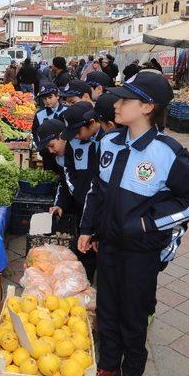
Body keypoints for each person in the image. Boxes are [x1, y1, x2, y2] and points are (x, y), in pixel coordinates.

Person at [78, 71, 189, 376]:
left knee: (134, 316)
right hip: (107, 246)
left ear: (148, 107)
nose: (117, 104)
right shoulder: (108, 142)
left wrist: (147, 222)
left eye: (126, 99)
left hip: (142, 253)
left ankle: (132, 372)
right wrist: (87, 229)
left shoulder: (168, 151)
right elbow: (96, 191)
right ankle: (109, 363)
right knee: (107, 310)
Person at [50, 101, 105, 281]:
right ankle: (86, 284)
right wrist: (60, 203)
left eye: (77, 132)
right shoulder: (73, 144)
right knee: (85, 251)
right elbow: (67, 177)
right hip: (83, 210)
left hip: (105, 209)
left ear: (91, 123)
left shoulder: (108, 141)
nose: (75, 136)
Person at [32, 86, 66, 172]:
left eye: (50, 97)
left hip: (65, 153)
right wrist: (43, 149)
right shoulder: (39, 114)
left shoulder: (67, 110)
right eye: (44, 99)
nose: (47, 101)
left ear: (57, 96)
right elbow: (35, 133)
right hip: (48, 154)